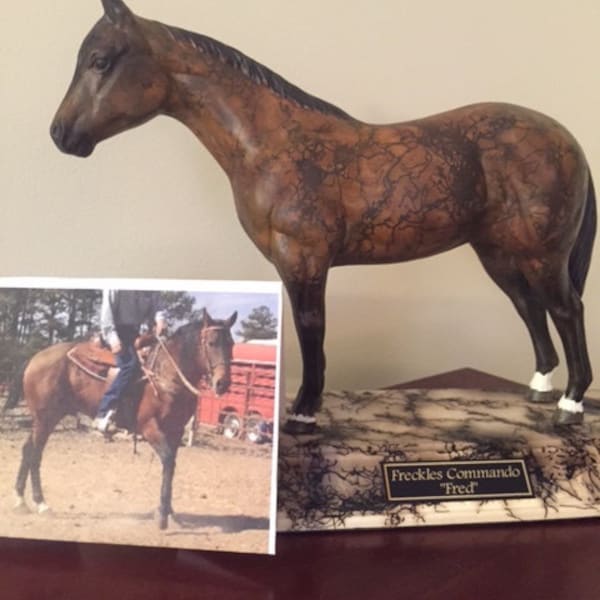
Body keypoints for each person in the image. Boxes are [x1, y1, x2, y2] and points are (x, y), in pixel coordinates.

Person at [93, 289, 166, 432]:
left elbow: (158, 307)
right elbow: (107, 317)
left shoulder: (151, 285)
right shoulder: (116, 286)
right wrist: (113, 339)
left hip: (136, 333)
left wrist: (160, 320)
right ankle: (103, 411)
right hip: (116, 330)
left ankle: (139, 414)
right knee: (130, 365)